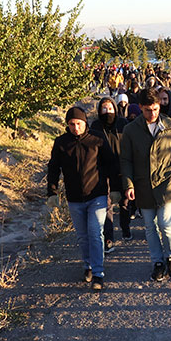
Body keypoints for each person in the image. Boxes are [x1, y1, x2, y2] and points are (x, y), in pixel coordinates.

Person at [120, 89, 171, 282]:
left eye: (156, 109)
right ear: (141, 108)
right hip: (143, 184)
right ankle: (158, 262)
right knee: (150, 226)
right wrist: (128, 184)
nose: (153, 114)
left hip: (167, 181)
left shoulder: (170, 125)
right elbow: (125, 160)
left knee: (165, 223)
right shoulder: (131, 130)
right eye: (148, 110)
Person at [47, 107, 121, 291]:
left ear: (85, 122)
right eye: (71, 124)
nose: (75, 127)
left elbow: (112, 163)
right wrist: (52, 192)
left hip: (97, 195)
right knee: (82, 236)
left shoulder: (97, 139)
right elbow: (53, 167)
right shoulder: (61, 143)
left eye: (78, 124)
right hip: (74, 198)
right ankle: (87, 265)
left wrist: (116, 189)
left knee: (95, 232)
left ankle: (98, 273)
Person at [90, 97, 131, 245]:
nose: (108, 112)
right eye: (104, 109)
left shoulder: (122, 124)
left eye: (110, 108)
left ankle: (125, 228)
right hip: (103, 171)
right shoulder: (95, 126)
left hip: (122, 169)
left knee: (124, 202)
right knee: (107, 205)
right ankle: (109, 237)